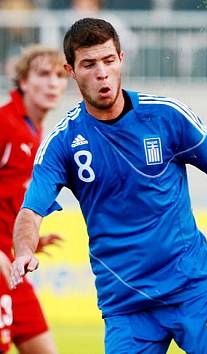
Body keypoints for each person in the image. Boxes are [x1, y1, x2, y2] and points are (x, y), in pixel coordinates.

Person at [9, 18, 207, 354]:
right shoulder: (62, 143)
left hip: (193, 290)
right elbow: (30, 212)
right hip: (126, 305)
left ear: (121, 58)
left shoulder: (165, 115)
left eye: (108, 61)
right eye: (89, 64)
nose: (101, 72)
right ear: (72, 71)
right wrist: (23, 251)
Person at [0, 45, 68, 354]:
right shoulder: (5, 124)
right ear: (23, 81)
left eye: (59, 75)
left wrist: (30, 241)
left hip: (13, 268)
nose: (53, 82)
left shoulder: (36, 132)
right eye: (43, 74)